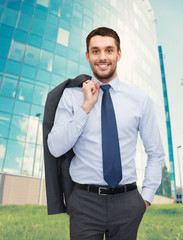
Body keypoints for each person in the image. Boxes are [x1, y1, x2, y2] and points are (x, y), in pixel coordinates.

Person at [47, 27, 165, 240]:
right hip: (85, 202)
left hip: (128, 201)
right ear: (87, 56)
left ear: (119, 54)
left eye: (109, 50)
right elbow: (55, 147)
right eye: (95, 51)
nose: (102, 57)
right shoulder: (72, 96)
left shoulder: (140, 99)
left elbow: (156, 153)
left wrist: (145, 199)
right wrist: (85, 108)